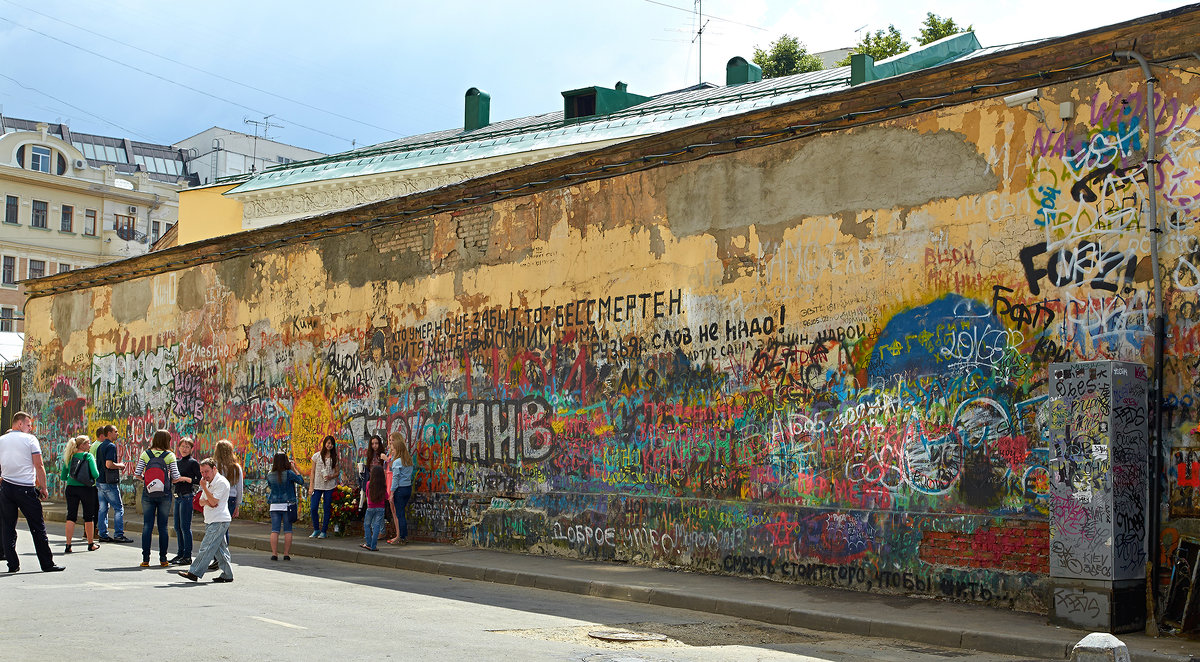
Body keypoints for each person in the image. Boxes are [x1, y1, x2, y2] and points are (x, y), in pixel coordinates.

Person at [0, 411, 64, 572]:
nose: (31, 428)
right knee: (37, 526)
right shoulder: (30, 440)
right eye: (28, 425)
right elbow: (39, 465)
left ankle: (12, 564)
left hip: (6, 487)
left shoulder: (1, 440)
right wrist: (43, 487)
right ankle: (47, 564)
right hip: (26, 488)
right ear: (19, 423)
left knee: (7, 527)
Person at [176, 458, 233, 584]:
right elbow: (201, 502)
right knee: (220, 550)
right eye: (202, 472)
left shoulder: (221, 482)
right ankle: (227, 574)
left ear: (214, 469)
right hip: (211, 519)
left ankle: (194, 572)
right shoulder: (207, 482)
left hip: (219, 520)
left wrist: (205, 491)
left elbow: (213, 502)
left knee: (206, 547)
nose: (204, 475)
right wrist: (208, 499)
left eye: (206, 471)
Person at [132, 430, 181, 568]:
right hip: (164, 494)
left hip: (148, 493)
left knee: (147, 526)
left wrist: (147, 480)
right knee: (163, 527)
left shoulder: (146, 454)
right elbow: (176, 477)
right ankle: (163, 559)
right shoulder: (170, 455)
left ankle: (146, 559)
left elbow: (137, 473)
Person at [60, 434, 99, 553]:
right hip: (87, 489)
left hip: (71, 488)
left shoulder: (70, 457)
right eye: (88, 443)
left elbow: (63, 476)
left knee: (71, 516)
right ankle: (90, 543)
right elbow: (96, 474)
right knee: (88, 516)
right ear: (82, 445)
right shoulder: (88, 456)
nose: (90, 445)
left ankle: (68, 545)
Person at [94, 424, 131, 544]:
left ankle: (102, 534)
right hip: (109, 482)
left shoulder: (100, 446)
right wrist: (120, 465)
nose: (117, 433)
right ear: (109, 433)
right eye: (115, 431)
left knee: (103, 509)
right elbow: (109, 464)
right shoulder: (111, 446)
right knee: (119, 508)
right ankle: (119, 534)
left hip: (100, 481)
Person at [266, 453, 305, 560]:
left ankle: (274, 554)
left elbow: (270, 486)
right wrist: (294, 469)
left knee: (275, 530)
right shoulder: (289, 473)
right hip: (288, 505)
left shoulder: (270, 474)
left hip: (274, 505)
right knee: (288, 530)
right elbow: (301, 481)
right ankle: (286, 554)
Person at [169, 437, 201, 566]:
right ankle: (180, 553)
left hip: (187, 496)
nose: (184, 449)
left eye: (187, 447)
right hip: (177, 496)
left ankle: (187, 556)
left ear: (192, 449)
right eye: (182, 446)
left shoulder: (193, 463)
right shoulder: (177, 462)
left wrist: (185, 479)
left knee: (185, 527)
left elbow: (199, 480)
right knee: (177, 527)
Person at [212, 439, 243, 570]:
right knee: (225, 528)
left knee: (215, 527)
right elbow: (239, 487)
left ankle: (217, 558)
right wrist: (238, 504)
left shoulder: (215, 466)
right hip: (231, 498)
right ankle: (223, 557)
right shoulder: (236, 467)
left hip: (218, 498)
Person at [309, 435, 338, 538]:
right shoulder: (316, 456)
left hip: (329, 486)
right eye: (328, 443)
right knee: (313, 507)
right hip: (317, 485)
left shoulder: (334, 458)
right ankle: (316, 529)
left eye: (331, 444)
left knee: (326, 508)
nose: (329, 445)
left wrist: (331, 476)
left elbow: (337, 473)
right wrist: (311, 486)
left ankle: (324, 531)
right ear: (325, 443)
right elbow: (312, 472)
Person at [388, 433, 414, 545]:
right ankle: (403, 536)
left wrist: (392, 492)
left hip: (400, 489)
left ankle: (402, 537)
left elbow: (395, 478)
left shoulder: (397, 462)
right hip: (408, 487)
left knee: (400, 514)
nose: (391, 450)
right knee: (402, 513)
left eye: (393, 449)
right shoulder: (408, 460)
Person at [360, 465, 386, 551]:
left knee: (367, 525)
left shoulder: (368, 484)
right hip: (381, 508)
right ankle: (373, 546)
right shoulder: (383, 485)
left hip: (370, 507)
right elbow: (386, 496)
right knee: (377, 526)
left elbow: (367, 494)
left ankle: (368, 543)